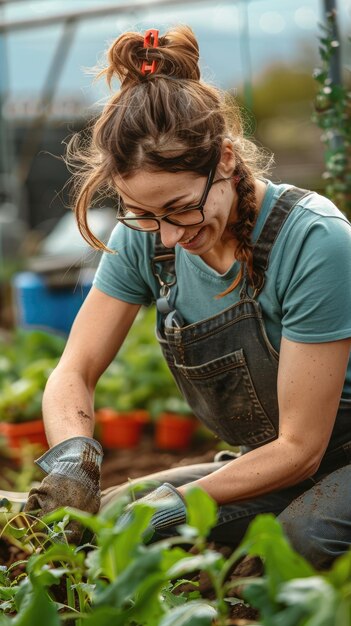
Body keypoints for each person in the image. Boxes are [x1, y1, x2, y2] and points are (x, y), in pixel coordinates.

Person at [24, 25, 351, 569]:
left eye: (180, 208)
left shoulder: (316, 242)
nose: (169, 236)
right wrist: (73, 458)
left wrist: (178, 504)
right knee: (110, 518)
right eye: (145, 214)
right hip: (266, 463)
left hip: (326, 453)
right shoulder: (146, 236)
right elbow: (73, 370)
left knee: (304, 540)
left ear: (224, 160)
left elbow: (301, 448)